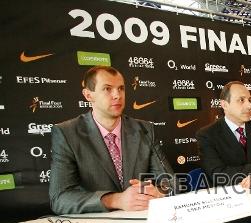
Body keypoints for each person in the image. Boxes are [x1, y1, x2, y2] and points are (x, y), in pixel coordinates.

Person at [49, 66, 173, 214]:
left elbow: (170, 182)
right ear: (88, 95)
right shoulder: (67, 133)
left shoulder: (145, 129)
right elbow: (60, 199)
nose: (117, 95)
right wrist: (116, 200)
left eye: (121, 88)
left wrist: (159, 192)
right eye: (107, 89)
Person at [196, 81, 251, 186]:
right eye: (241, 100)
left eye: (249, 100)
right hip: (227, 196)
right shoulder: (207, 135)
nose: (249, 106)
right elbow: (218, 175)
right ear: (224, 105)